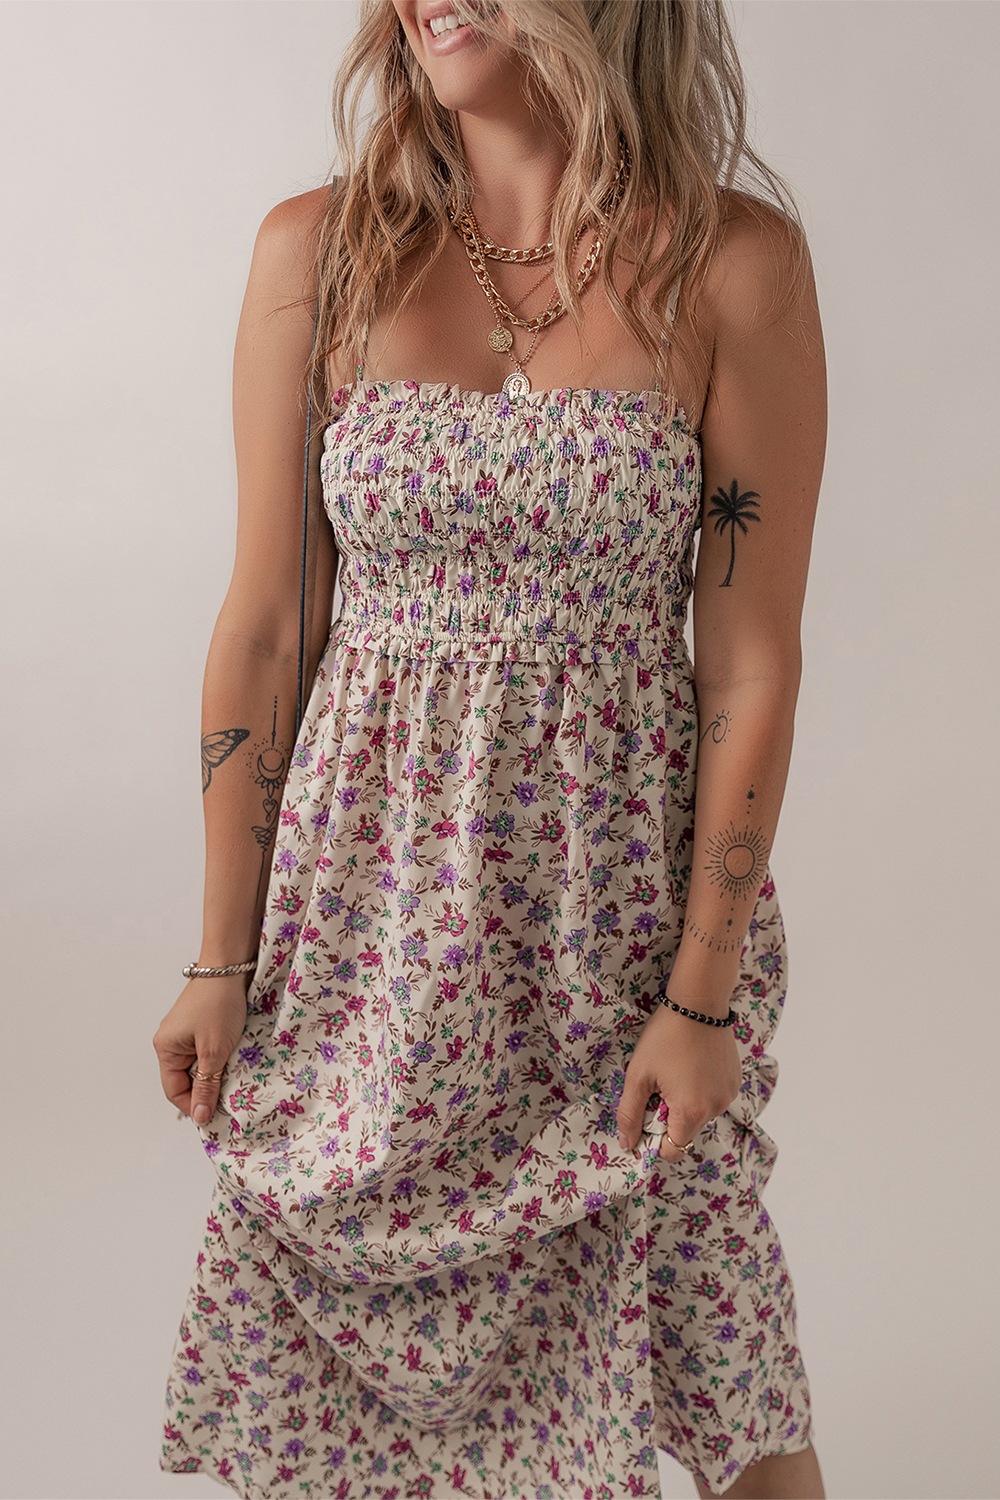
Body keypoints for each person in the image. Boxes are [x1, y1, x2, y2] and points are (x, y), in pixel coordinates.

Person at [154, 1, 827, 1496]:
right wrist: (220, 960)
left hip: (617, 940)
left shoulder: (734, 266)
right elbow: (267, 626)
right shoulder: (319, 255)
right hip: (367, 944)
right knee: (353, 1381)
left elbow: (751, 661)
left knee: (723, 1357)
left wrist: (702, 998)